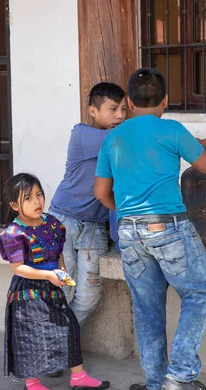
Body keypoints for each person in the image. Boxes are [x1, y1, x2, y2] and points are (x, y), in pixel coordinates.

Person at [94, 68, 206, 390]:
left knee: (148, 311)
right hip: (169, 228)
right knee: (201, 293)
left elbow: (101, 192)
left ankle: (155, 384)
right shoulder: (172, 131)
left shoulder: (113, 138)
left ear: (130, 104)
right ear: (165, 101)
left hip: (128, 232)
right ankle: (179, 375)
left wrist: (125, 212)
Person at [0, 173, 110, 390]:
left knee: (68, 327)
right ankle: (32, 383)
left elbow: (58, 250)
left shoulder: (52, 223)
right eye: (28, 198)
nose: (37, 201)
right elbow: (18, 268)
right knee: (31, 337)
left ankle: (78, 377)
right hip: (28, 294)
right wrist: (49, 275)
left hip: (52, 289)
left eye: (38, 194)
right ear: (14, 205)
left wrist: (61, 268)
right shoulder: (14, 233)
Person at [49, 82, 127, 327]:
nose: (120, 116)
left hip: (95, 227)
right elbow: (121, 139)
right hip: (63, 222)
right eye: (113, 109)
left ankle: (64, 341)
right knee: (60, 288)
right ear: (93, 112)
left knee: (88, 296)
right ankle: (51, 347)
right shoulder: (82, 134)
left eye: (124, 109)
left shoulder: (121, 139)